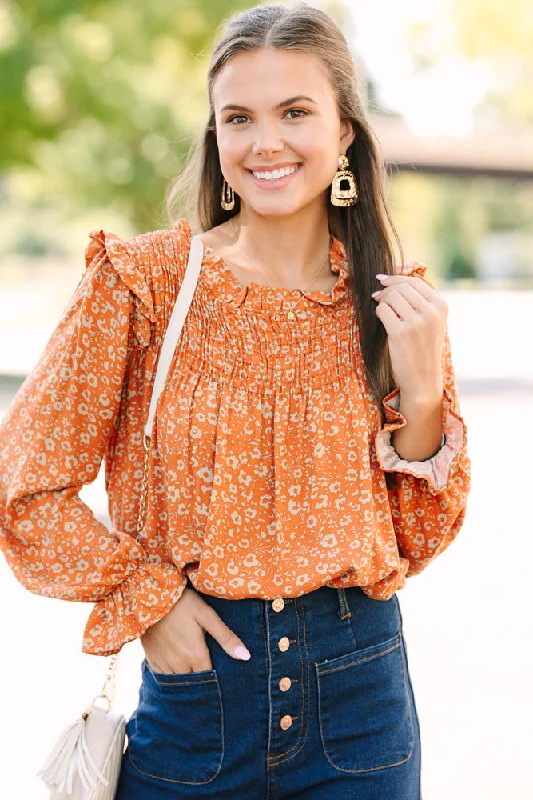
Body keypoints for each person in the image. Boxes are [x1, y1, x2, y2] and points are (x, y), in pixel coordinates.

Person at [0, 3, 471, 798]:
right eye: (238, 118)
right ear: (216, 136)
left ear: (345, 132)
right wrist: (148, 599)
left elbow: (415, 540)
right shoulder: (141, 285)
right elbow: (26, 484)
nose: (265, 143)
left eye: (295, 112)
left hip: (360, 698)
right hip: (197, 695)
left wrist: (422, 398)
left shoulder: (394, 305)